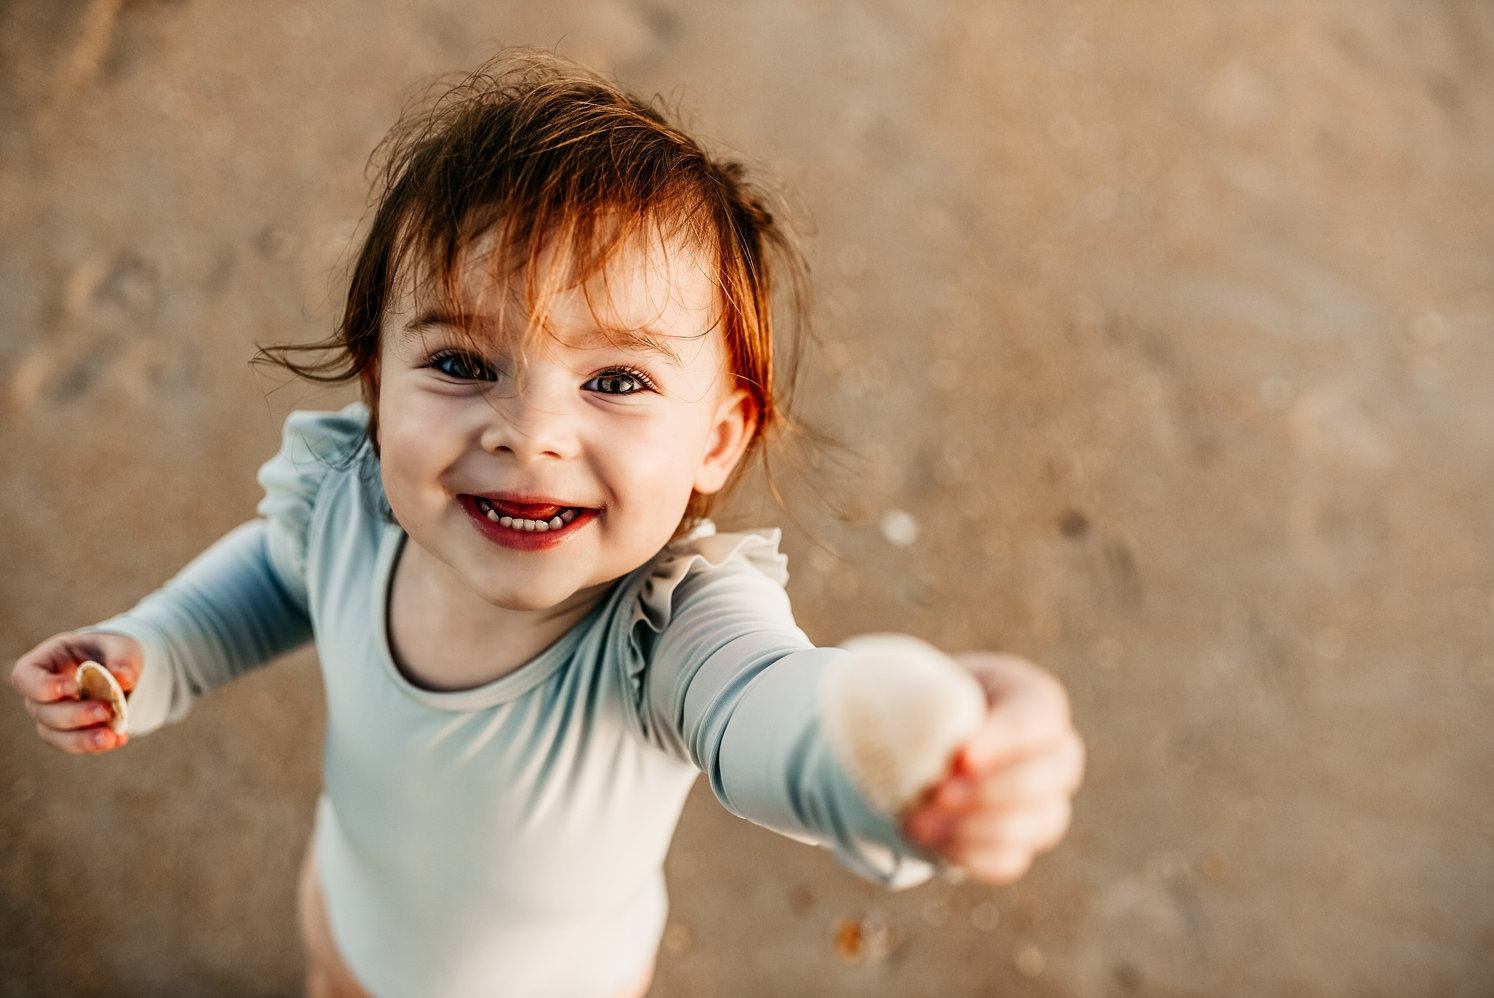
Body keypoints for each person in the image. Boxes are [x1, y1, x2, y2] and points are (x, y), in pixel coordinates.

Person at [9, 50, 1084, 998]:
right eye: (462, 363)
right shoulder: (350, 498)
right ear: (378, 385)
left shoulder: (670, 635)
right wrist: (154, 652)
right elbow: (277, 577)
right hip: (350, 911)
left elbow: (775, 715)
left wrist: (916, 765)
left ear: (718, 438)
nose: (529, 433)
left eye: (615, 378)